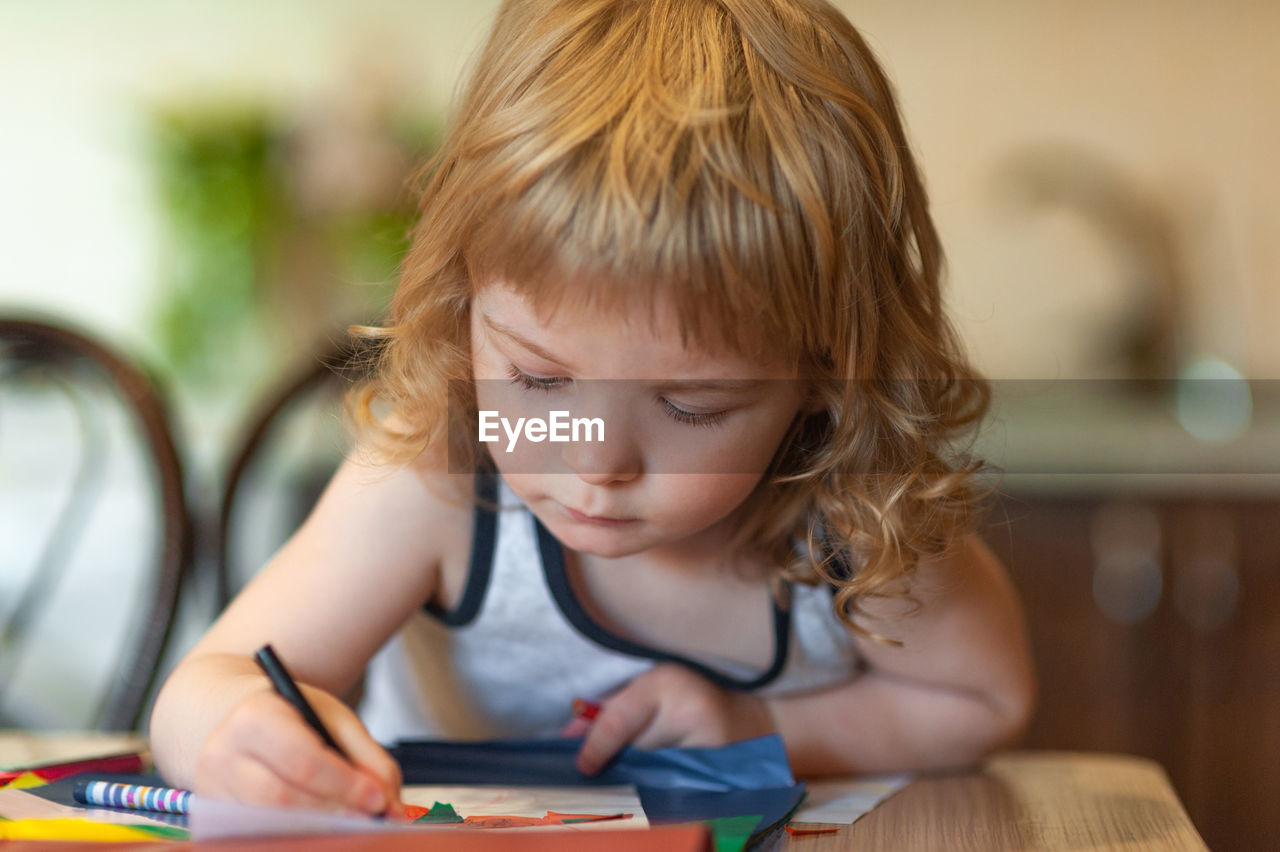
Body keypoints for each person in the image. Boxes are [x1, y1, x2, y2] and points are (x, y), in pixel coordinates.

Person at [150, 0, 1034, 817]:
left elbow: (982, 701)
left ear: (828, 374)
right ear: (462, 303)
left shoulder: (853, 508)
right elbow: (202, 689)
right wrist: (236, 734)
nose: (595, 461)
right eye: (537, 380)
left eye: (691, 405)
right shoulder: (435, 477)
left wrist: (759, 724)